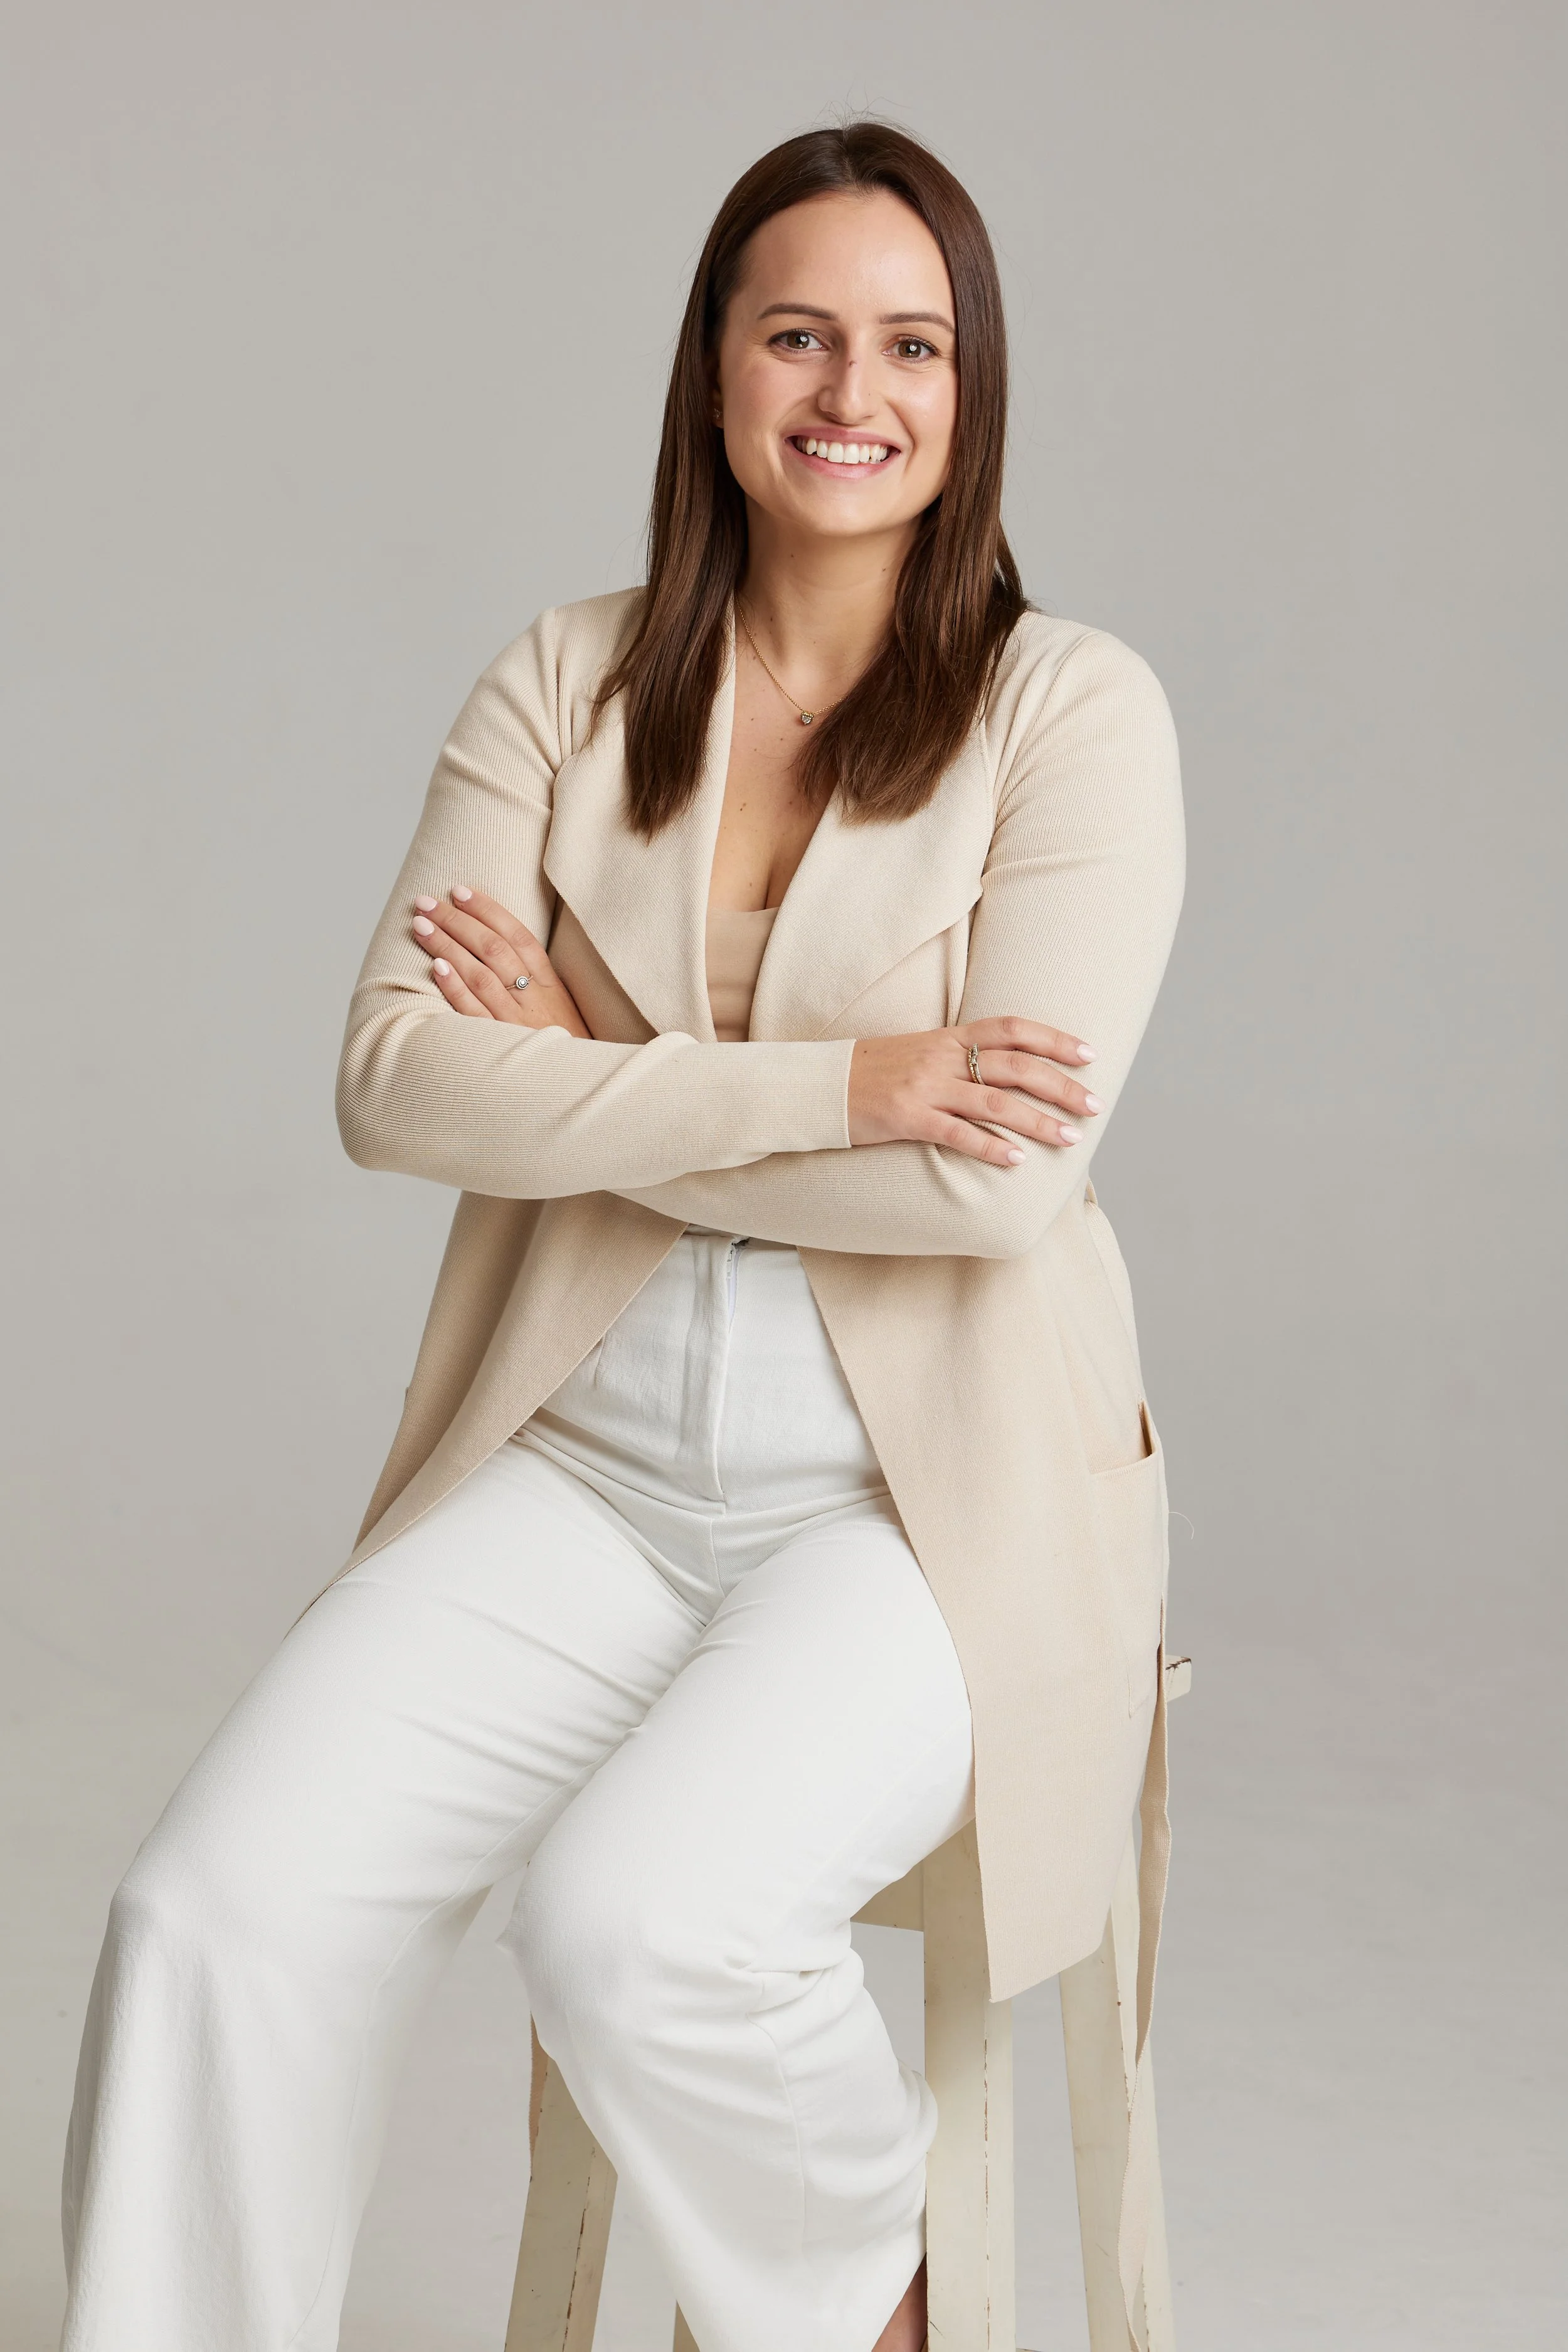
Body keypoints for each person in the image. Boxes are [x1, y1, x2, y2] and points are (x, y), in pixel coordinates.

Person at [59, 122, 1184, 2352]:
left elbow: (994, 1181)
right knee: (212, 1913)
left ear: (969, 396)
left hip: (923, 1506)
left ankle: (872, 2305)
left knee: (642, 1915)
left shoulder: (1077, 715)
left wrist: (590, 1057)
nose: (850, 389)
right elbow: (399, 1083)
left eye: (910, 343)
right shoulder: (562, 682)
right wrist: (838, 1083)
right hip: (583, 1465)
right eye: (797, 332)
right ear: (709, 369)